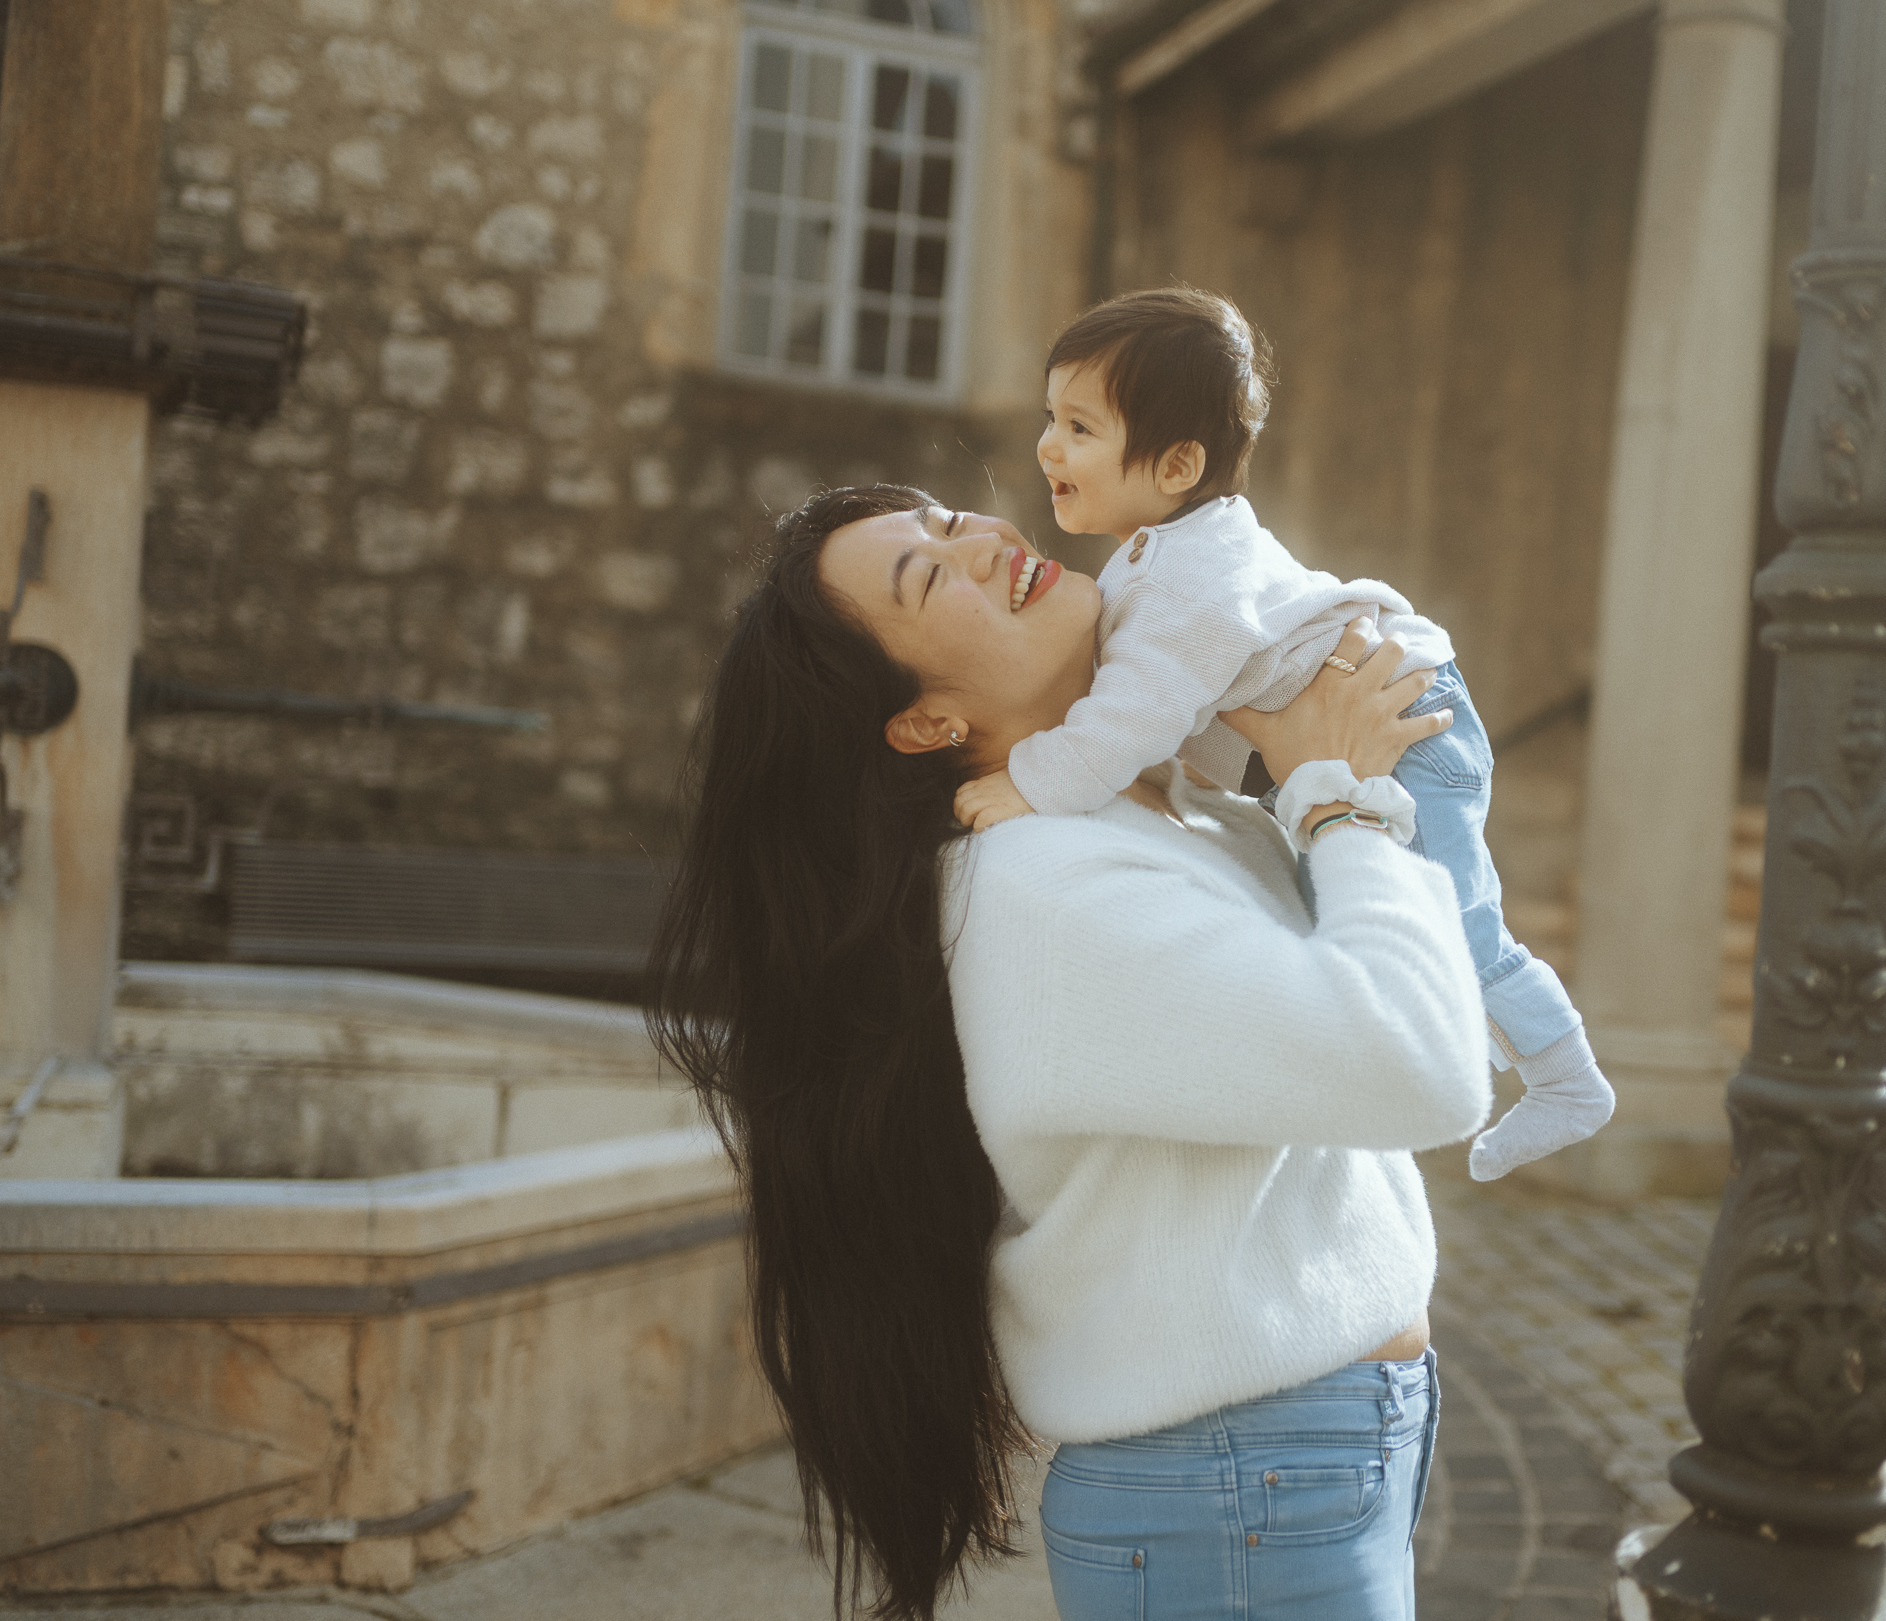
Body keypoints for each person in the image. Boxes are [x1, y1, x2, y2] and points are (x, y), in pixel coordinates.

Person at [646, 481, 1493, 1621]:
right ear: (923, 722)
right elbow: (1420, 1063)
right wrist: (1342, 803)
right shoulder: (1042, 885)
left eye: (951, 521)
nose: (989, 541)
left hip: (1285, 1467)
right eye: (929, 573)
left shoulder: (1157, 820)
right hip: (1239, 1486)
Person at [951, 287, 1612, 1184]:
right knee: (1389, 919)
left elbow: (1128, 719)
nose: (1047, 447)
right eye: (1050, 418)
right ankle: (1509, 1042)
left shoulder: (1186, 580)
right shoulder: (1159, 555)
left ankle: (1568, 1078)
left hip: (1411, 725)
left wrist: (1028, 781)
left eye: (1079, 428)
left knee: (1458, 929)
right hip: (1378, 718)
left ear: (1179, 463)